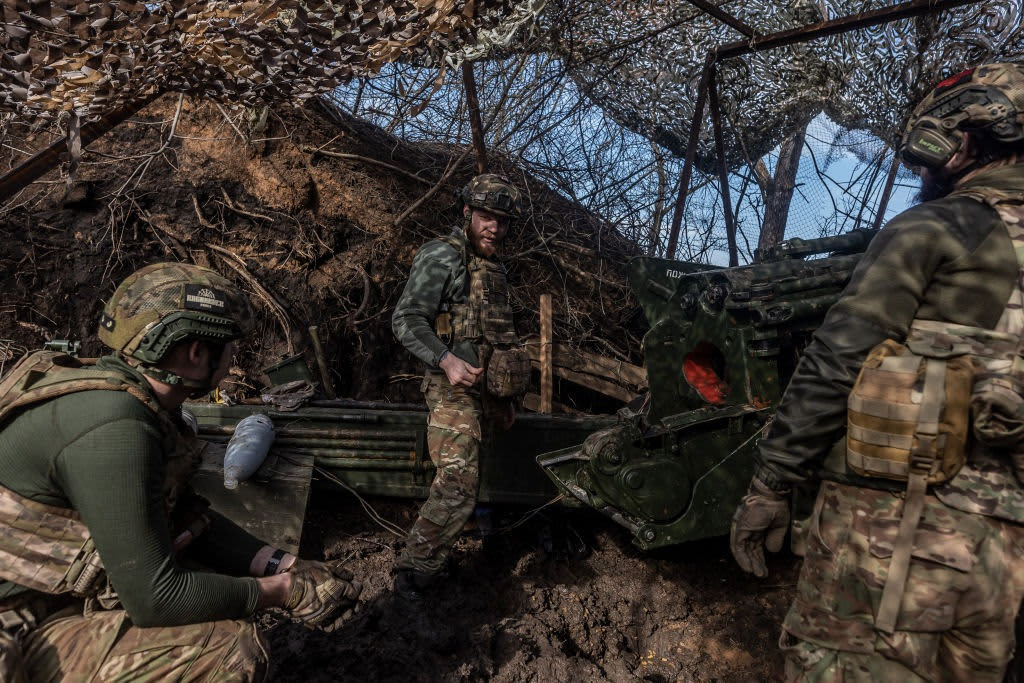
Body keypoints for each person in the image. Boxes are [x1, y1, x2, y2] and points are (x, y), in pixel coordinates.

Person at [729, 61, 1024, 681]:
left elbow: (839, 358)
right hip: (1004, 564)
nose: (921, 168)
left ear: (962, 141)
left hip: (897, 539)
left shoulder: (939, 225)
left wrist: (771, 484)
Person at [0, 262, 361, 682]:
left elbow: (184, 521)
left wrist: (287, 565)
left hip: (42, 604)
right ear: (196, 353)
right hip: (16, 626)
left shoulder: (125, 400)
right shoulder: (117, 426)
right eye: (229, 345)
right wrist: (283, 591)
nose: (233, 356)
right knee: (224, 652)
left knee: (209, 586)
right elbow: (157, 597)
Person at [392, 173, 531, 600]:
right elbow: (406, 319)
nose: (495, 228)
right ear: (468, 212)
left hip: (486, 395)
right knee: (456, 486)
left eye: (503, 221)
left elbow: (494, 338)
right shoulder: (442, 255)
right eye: (487, 217)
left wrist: (505, 400)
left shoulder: (495, 268)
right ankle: (414, 573)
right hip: (452, 390)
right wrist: (446, 359)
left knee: (477, 480)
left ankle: (478, 548)